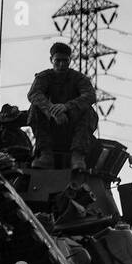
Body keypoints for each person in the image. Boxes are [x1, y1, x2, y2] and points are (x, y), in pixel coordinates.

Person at [27, 41, 98, 170]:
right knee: (34, 108)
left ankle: (77, 155)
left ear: (70, 60)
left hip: (73, 125)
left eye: (65, 61)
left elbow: (90, 95)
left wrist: (67, 107)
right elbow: (34, 94)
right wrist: (52, 111)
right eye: (57, 61)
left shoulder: (78, 78)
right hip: (50, 124)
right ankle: (45, 154)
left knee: (89, 111)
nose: (61, 64)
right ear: (51, 60)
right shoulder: (44, 77)